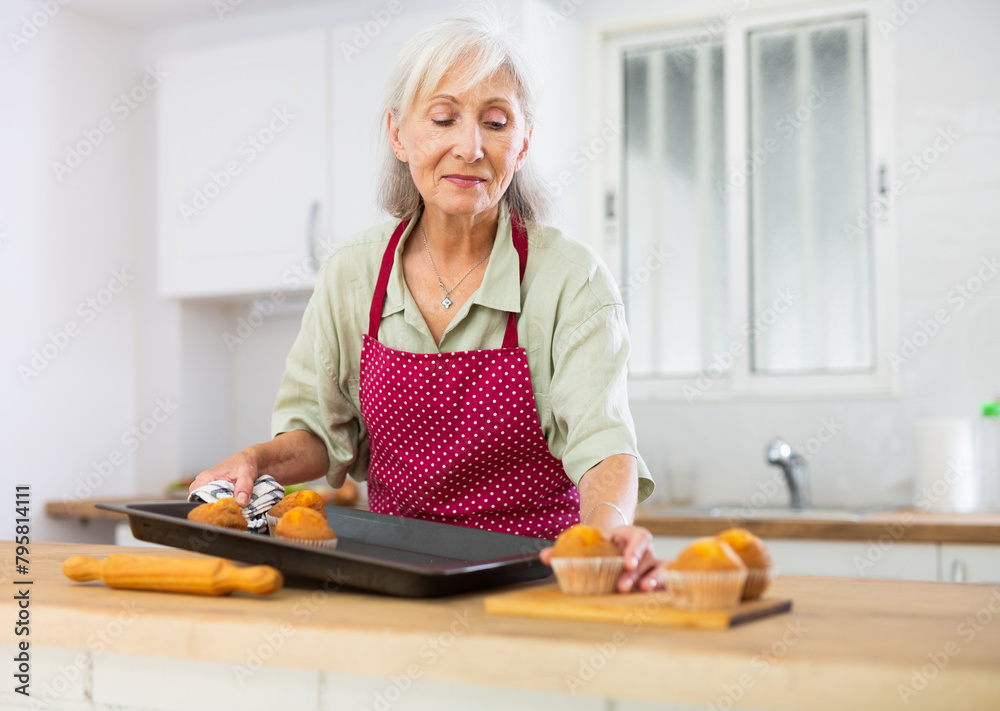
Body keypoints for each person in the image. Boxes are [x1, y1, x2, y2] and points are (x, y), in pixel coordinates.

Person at [191, 9, 662, 593]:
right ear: (398, 135)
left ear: (523, 144)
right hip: (389, 579)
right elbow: (317, 431)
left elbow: (602, 446)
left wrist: (608, 529)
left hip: (532, 583)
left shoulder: (572, 280)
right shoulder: (352, 273)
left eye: (495, 122)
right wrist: (256, 461)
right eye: (444, 118)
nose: (470, 147)